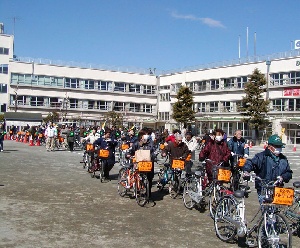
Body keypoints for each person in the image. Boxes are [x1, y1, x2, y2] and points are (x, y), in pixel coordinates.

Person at [243, 134, 293, 204]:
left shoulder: (283, 159)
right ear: (269, 147)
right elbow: (250, 163)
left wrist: (283, 177)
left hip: (278, 190)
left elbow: (289, 172)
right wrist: (246, 171)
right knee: (267, 211)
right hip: (264, 188)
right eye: (276, 146)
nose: (279, 148)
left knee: (276, 212)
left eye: (280, 146)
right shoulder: (261, 156)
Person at [129, 128, 156, 199]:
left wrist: (152, 156)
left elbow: (153, 152)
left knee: (149, 179)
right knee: (139, 177)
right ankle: (138, 190)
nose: (146, 137)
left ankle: (148, 194)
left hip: (148, 164)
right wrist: (128, 155)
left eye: (148, 135)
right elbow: (131, 151)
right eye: (145, 135)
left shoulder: (150, 143)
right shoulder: (136, 143)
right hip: (139, 164)